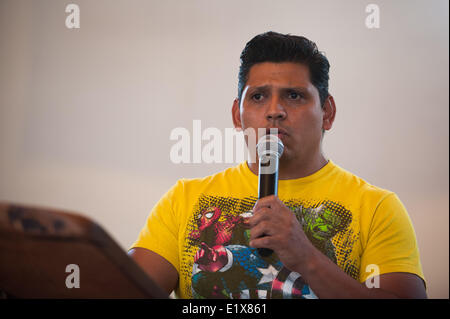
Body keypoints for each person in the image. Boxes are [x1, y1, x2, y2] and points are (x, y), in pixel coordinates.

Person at [128, 31, 427, 299]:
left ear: (327, 112)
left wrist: (306, 256)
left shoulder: (376, 207)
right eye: (258, 97)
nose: (274, 111)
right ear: (237, 115)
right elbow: (122, 288)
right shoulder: (183, 200)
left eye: (294, 96)